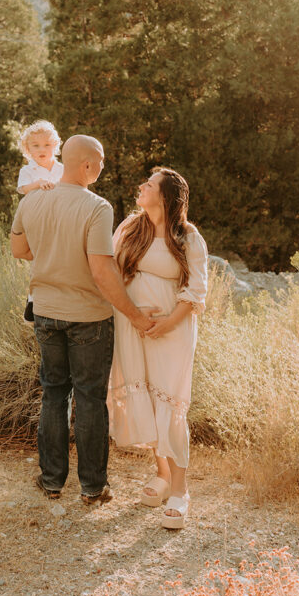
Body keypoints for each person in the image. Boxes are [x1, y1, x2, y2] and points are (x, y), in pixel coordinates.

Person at [10, 134, 156, 505]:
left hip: (45, 312)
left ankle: (51, 481)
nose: (103, 167)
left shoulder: (33, 200)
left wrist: (53, 256)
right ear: (87, 165)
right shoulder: (98, 207)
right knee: (90, 399)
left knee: (53, 394)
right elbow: (102, 272)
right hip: (88, 318)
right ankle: (93, 487)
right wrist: (137, 317)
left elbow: (19, 249)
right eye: (102, 161)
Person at [107, 167, 208, 529]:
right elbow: (110, 273)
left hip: (172, 331)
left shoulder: (188, 237)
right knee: (147, 397)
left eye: (148, 185)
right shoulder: (130, 227)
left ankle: (181, 490)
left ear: (164, 197)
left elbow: (196, 290)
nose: (141, 188)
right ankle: (162, 473)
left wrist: (166, 322)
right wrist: (133, 314)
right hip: (133, 327)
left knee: (171, 401)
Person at [16, 120, 64, 322]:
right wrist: (38, 183)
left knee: (61, 257)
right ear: (28, 149)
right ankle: (33, 299)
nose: (41, 149)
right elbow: (23, 189)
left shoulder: (62, 169)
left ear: (55, 146)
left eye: (46, 145)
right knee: (39, 258)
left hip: (60, 219)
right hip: (38, 219)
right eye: (35, 146)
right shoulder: (29, 171)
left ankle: (62, 297)